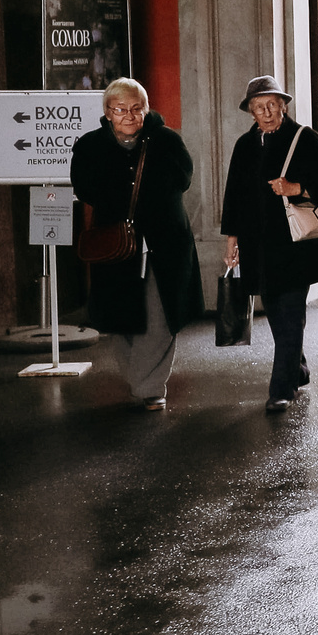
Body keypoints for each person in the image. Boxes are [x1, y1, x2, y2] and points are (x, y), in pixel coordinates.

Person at [69, 77, 200, 411]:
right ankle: (141, 378)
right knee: (119, 318)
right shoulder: (90, 146)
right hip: (115, 245)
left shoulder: (166, 140)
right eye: (120, 109)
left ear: (147, 108)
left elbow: (184, 178)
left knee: (160, 315)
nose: (129, 115)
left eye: (136, 108)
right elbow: (85, 189)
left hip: (164, 243)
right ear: (108, 113)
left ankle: (151, 386)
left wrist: (155, 150)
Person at [220, 74, 318, 412]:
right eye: (259, 107)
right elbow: (235, 198)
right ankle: (297, 367)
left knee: (289, 311)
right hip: (258, 247)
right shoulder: (245, 146)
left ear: (284, 105)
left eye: (272, 104)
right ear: (251, 112)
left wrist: (296, 188)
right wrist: (232, 241)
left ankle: (281, 389)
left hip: (295, 246)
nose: (267, 111)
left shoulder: (305, 139)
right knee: (277, 313)